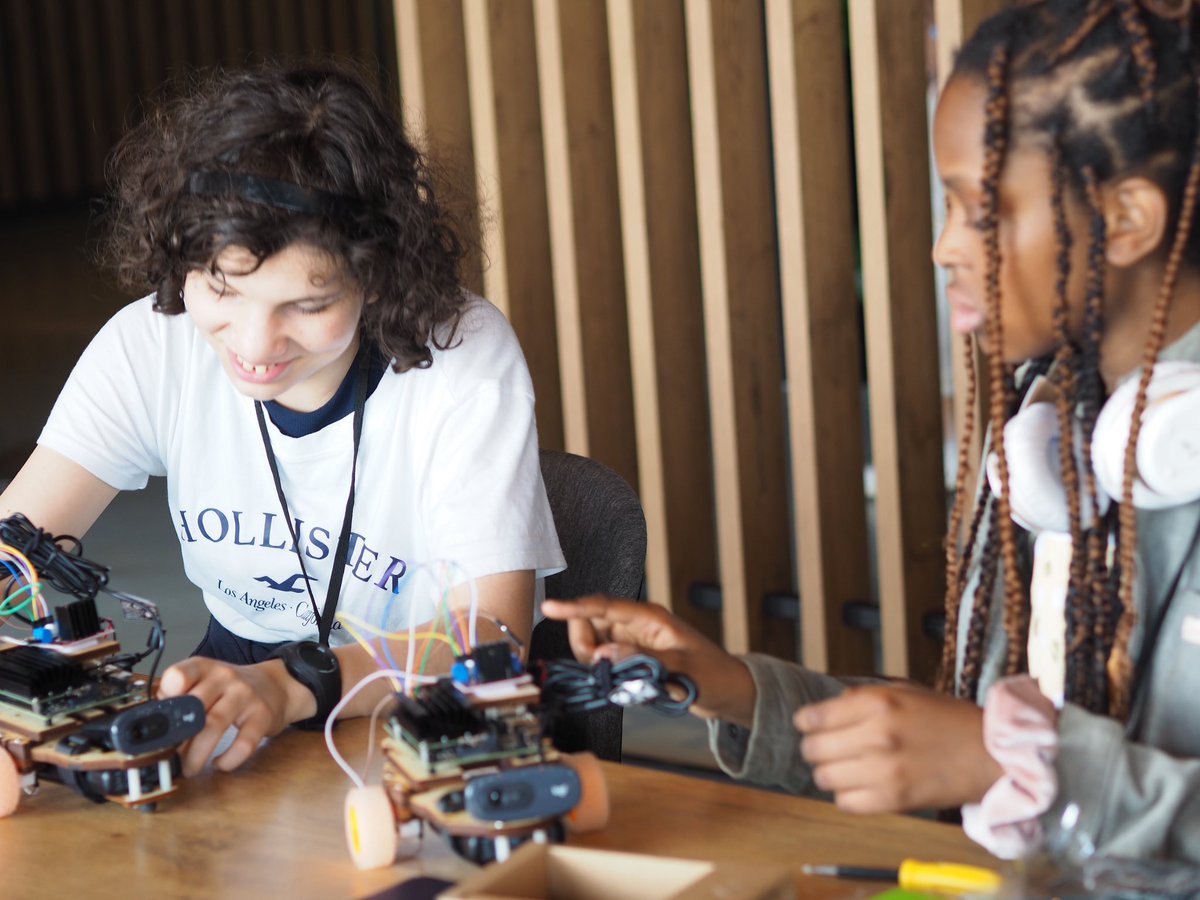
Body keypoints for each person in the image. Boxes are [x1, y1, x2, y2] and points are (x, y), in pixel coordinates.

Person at [546, 0, 1200, 863]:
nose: (943, 248)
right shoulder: (1048, 438)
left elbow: (990, 762)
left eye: (978, 210)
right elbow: (942, 750)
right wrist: (740, 691)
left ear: (1126, 220)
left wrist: (1000, 765)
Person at [0, 64, 564, 777]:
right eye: (221, 288)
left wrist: (296, 685)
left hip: (423, 703)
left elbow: (491, 634)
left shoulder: (461, 358)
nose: (254, 346)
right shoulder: (155, 340)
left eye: (305, 306)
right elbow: (15, 547)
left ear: (379, 275)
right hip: (236, 684)